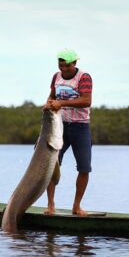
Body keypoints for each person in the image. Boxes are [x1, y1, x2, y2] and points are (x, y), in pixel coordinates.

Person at [44, 48, 93, 216]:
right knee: (51, 164)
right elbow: (52, 97)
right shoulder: (56, 77)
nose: (63, 68)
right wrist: (48, 104)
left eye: (66, 65)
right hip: (60, 127)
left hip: (80, 127)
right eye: (60, 64)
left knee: (84, 167)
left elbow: (86, 101)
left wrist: (62, 103)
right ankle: (51, 205)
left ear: (74, 63)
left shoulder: (84, 77)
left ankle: (76, 206)